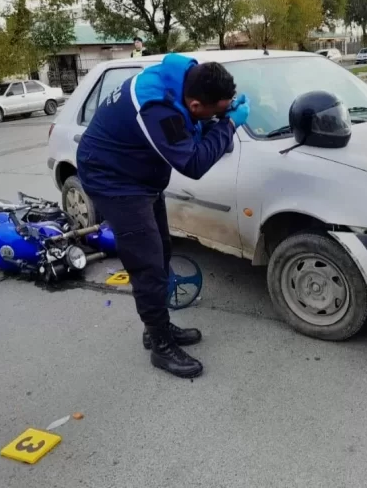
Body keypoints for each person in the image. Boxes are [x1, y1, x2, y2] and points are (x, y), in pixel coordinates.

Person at [76, 53, 250, 379]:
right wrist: (227, 125)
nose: (220, 113)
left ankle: (157, 326)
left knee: (163, 251)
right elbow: (193, 164)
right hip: (113, 180)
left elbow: (192, 131)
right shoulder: (158, 109)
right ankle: (160, 346)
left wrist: (220, 117)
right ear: (196, 104)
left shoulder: (186, 76)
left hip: (140, 175)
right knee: (149, 264)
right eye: (215, 109)